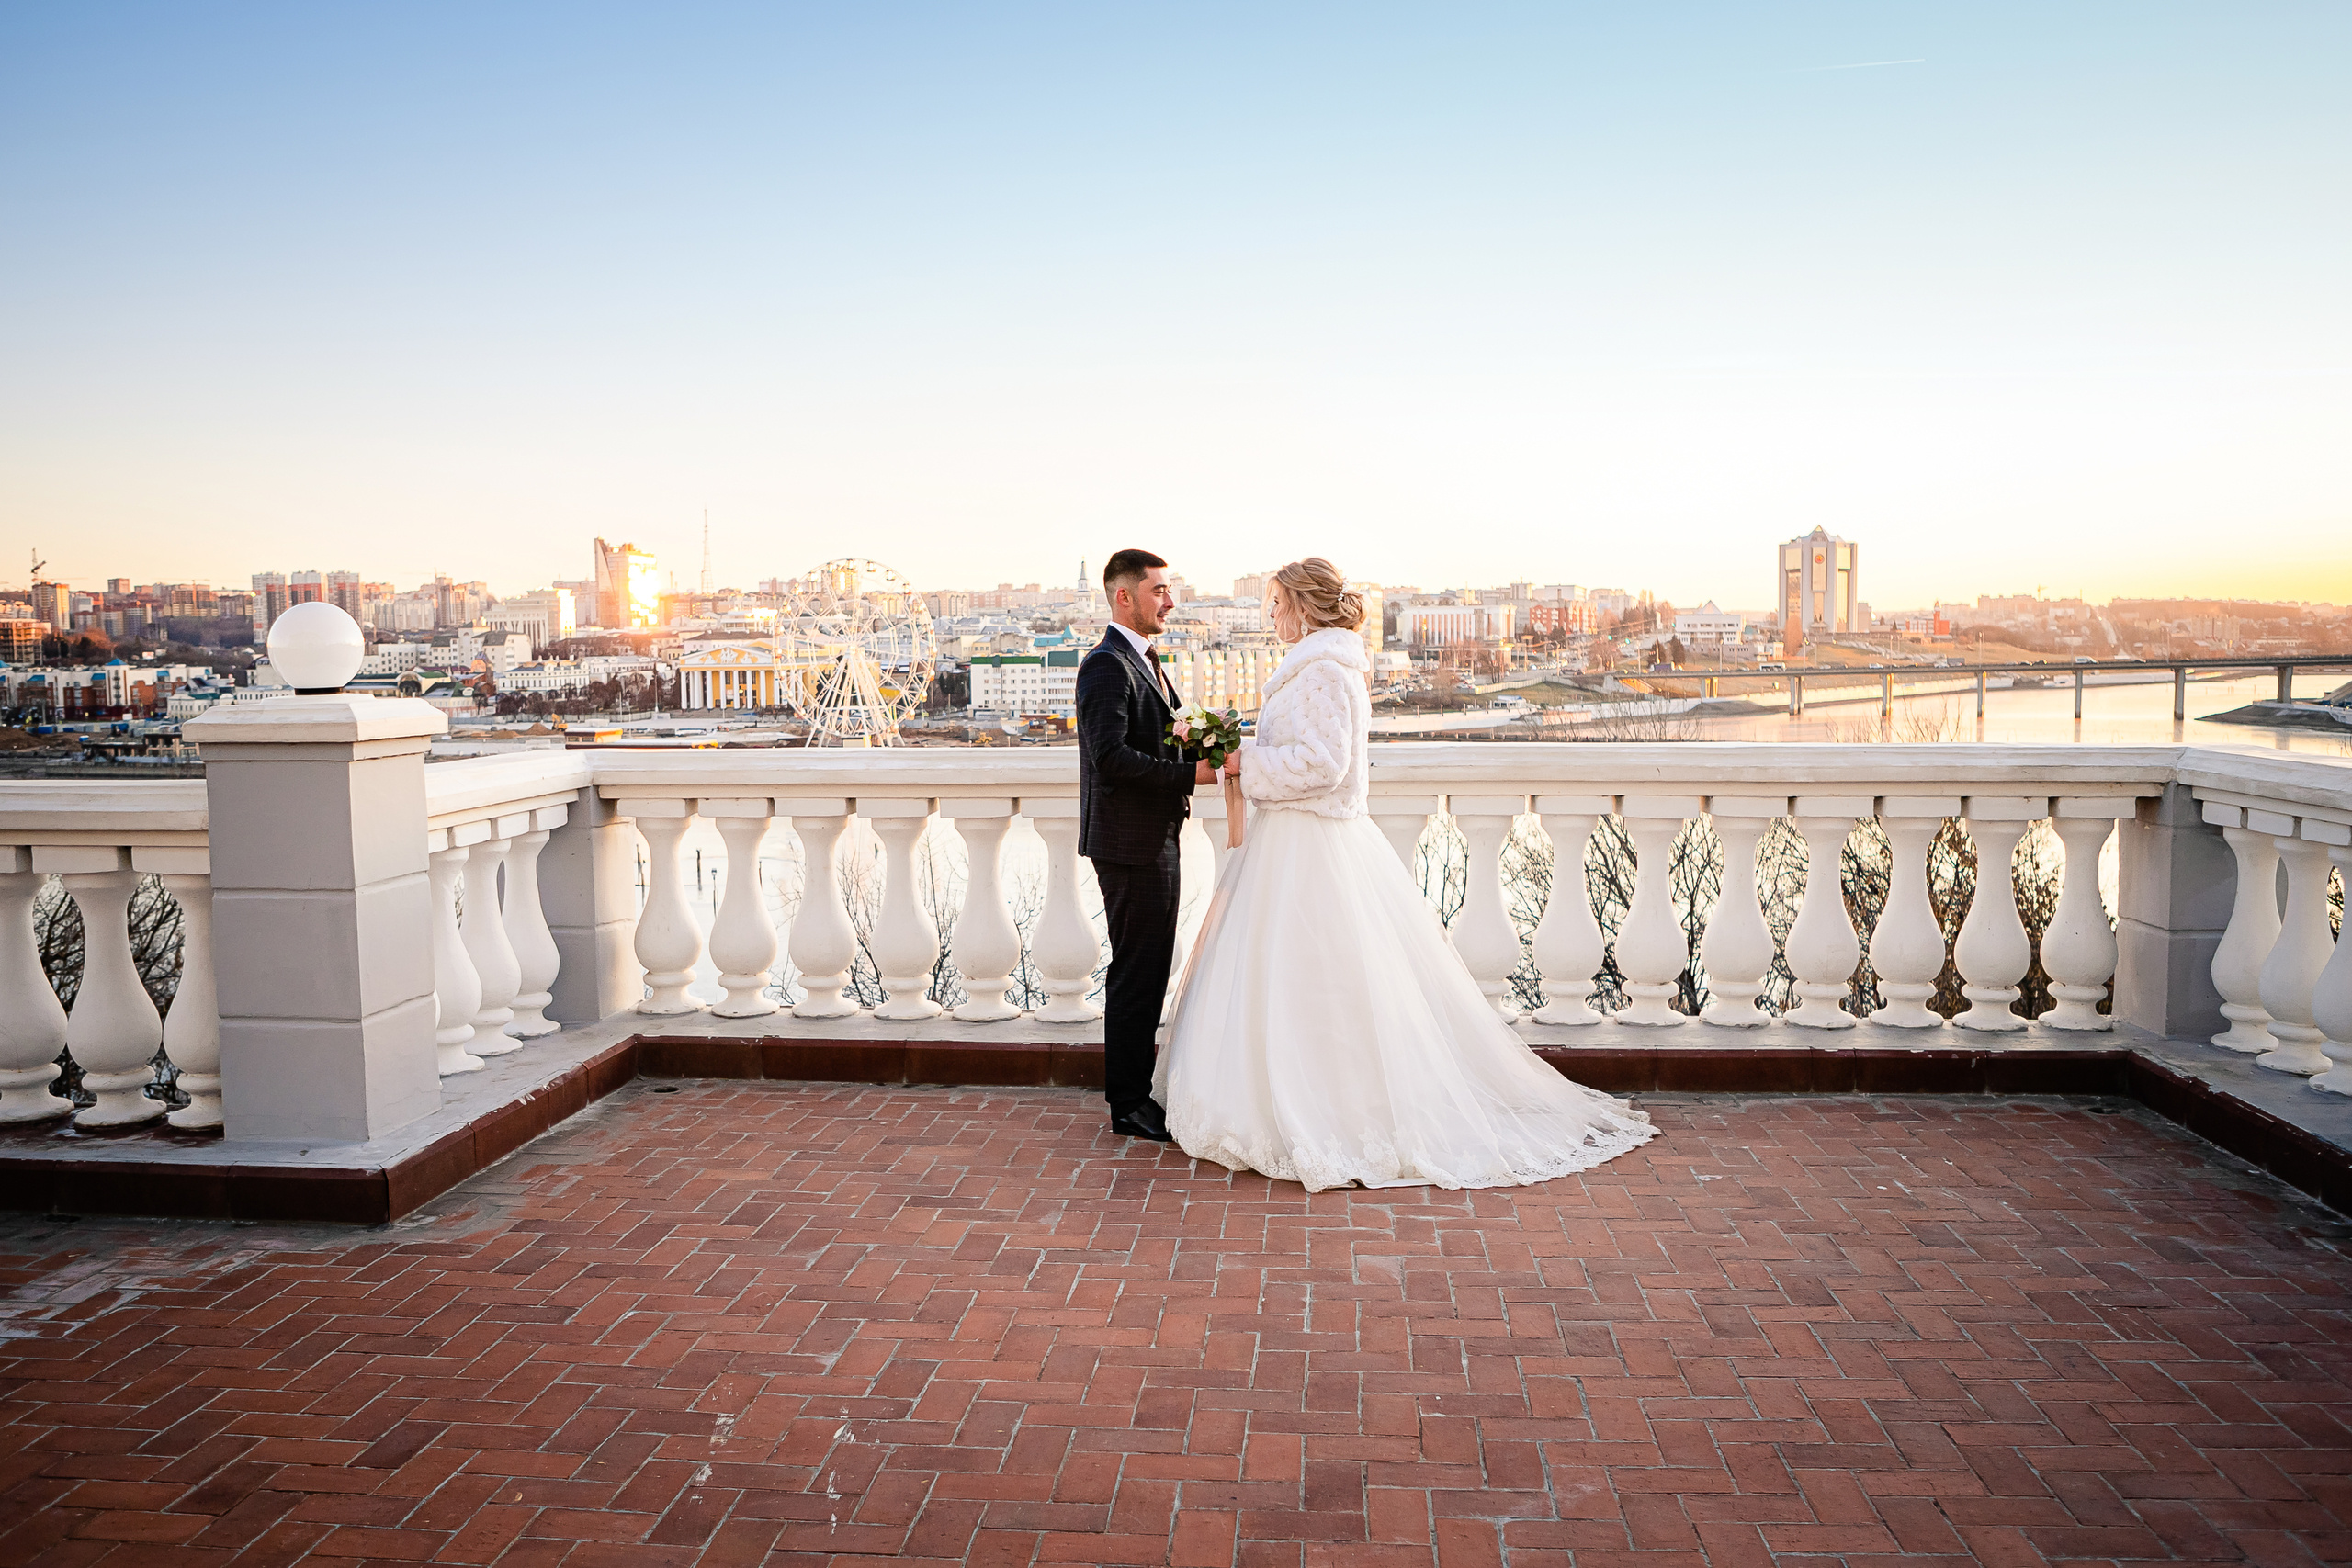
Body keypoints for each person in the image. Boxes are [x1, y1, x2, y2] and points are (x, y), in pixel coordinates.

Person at [1154, 558, 1656, 1190]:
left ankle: (1331, 1111)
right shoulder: (1315, 666)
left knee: (1324, 984)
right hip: (1288, 843)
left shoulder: (1328, 671)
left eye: (1277, 604)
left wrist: (1243, 762)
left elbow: (1325, 765)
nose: (1271, 615)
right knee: (1295, 983)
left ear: (1305, 607)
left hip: (1311, 849)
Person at [1075, 549, 1238, 1142]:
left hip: (1151, 837)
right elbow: (1110, 760)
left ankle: (1137, 1095)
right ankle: (1128, 1105)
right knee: (1137, 972)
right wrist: (1191, 775)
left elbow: (1157, 739)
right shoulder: (1106, 667)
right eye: (1160, 591)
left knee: (1148, 967)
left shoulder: (1143, 660)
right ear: (1125, 596)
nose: (1170, 601)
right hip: (1129, 843)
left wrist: (1207, 745)